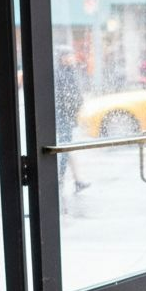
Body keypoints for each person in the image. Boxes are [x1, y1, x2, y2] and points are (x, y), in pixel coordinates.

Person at [54, 47, 90, 193]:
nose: (72, 58)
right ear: (62, 58)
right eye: (68, 55)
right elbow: (64, 96)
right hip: (62, 115)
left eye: (71, 55)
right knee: (65, 147)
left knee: (66, 147)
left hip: (67, 115)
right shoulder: (60, 73)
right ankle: (63, 178)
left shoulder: (69, 72)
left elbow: (75, 94)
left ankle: (72, 179)